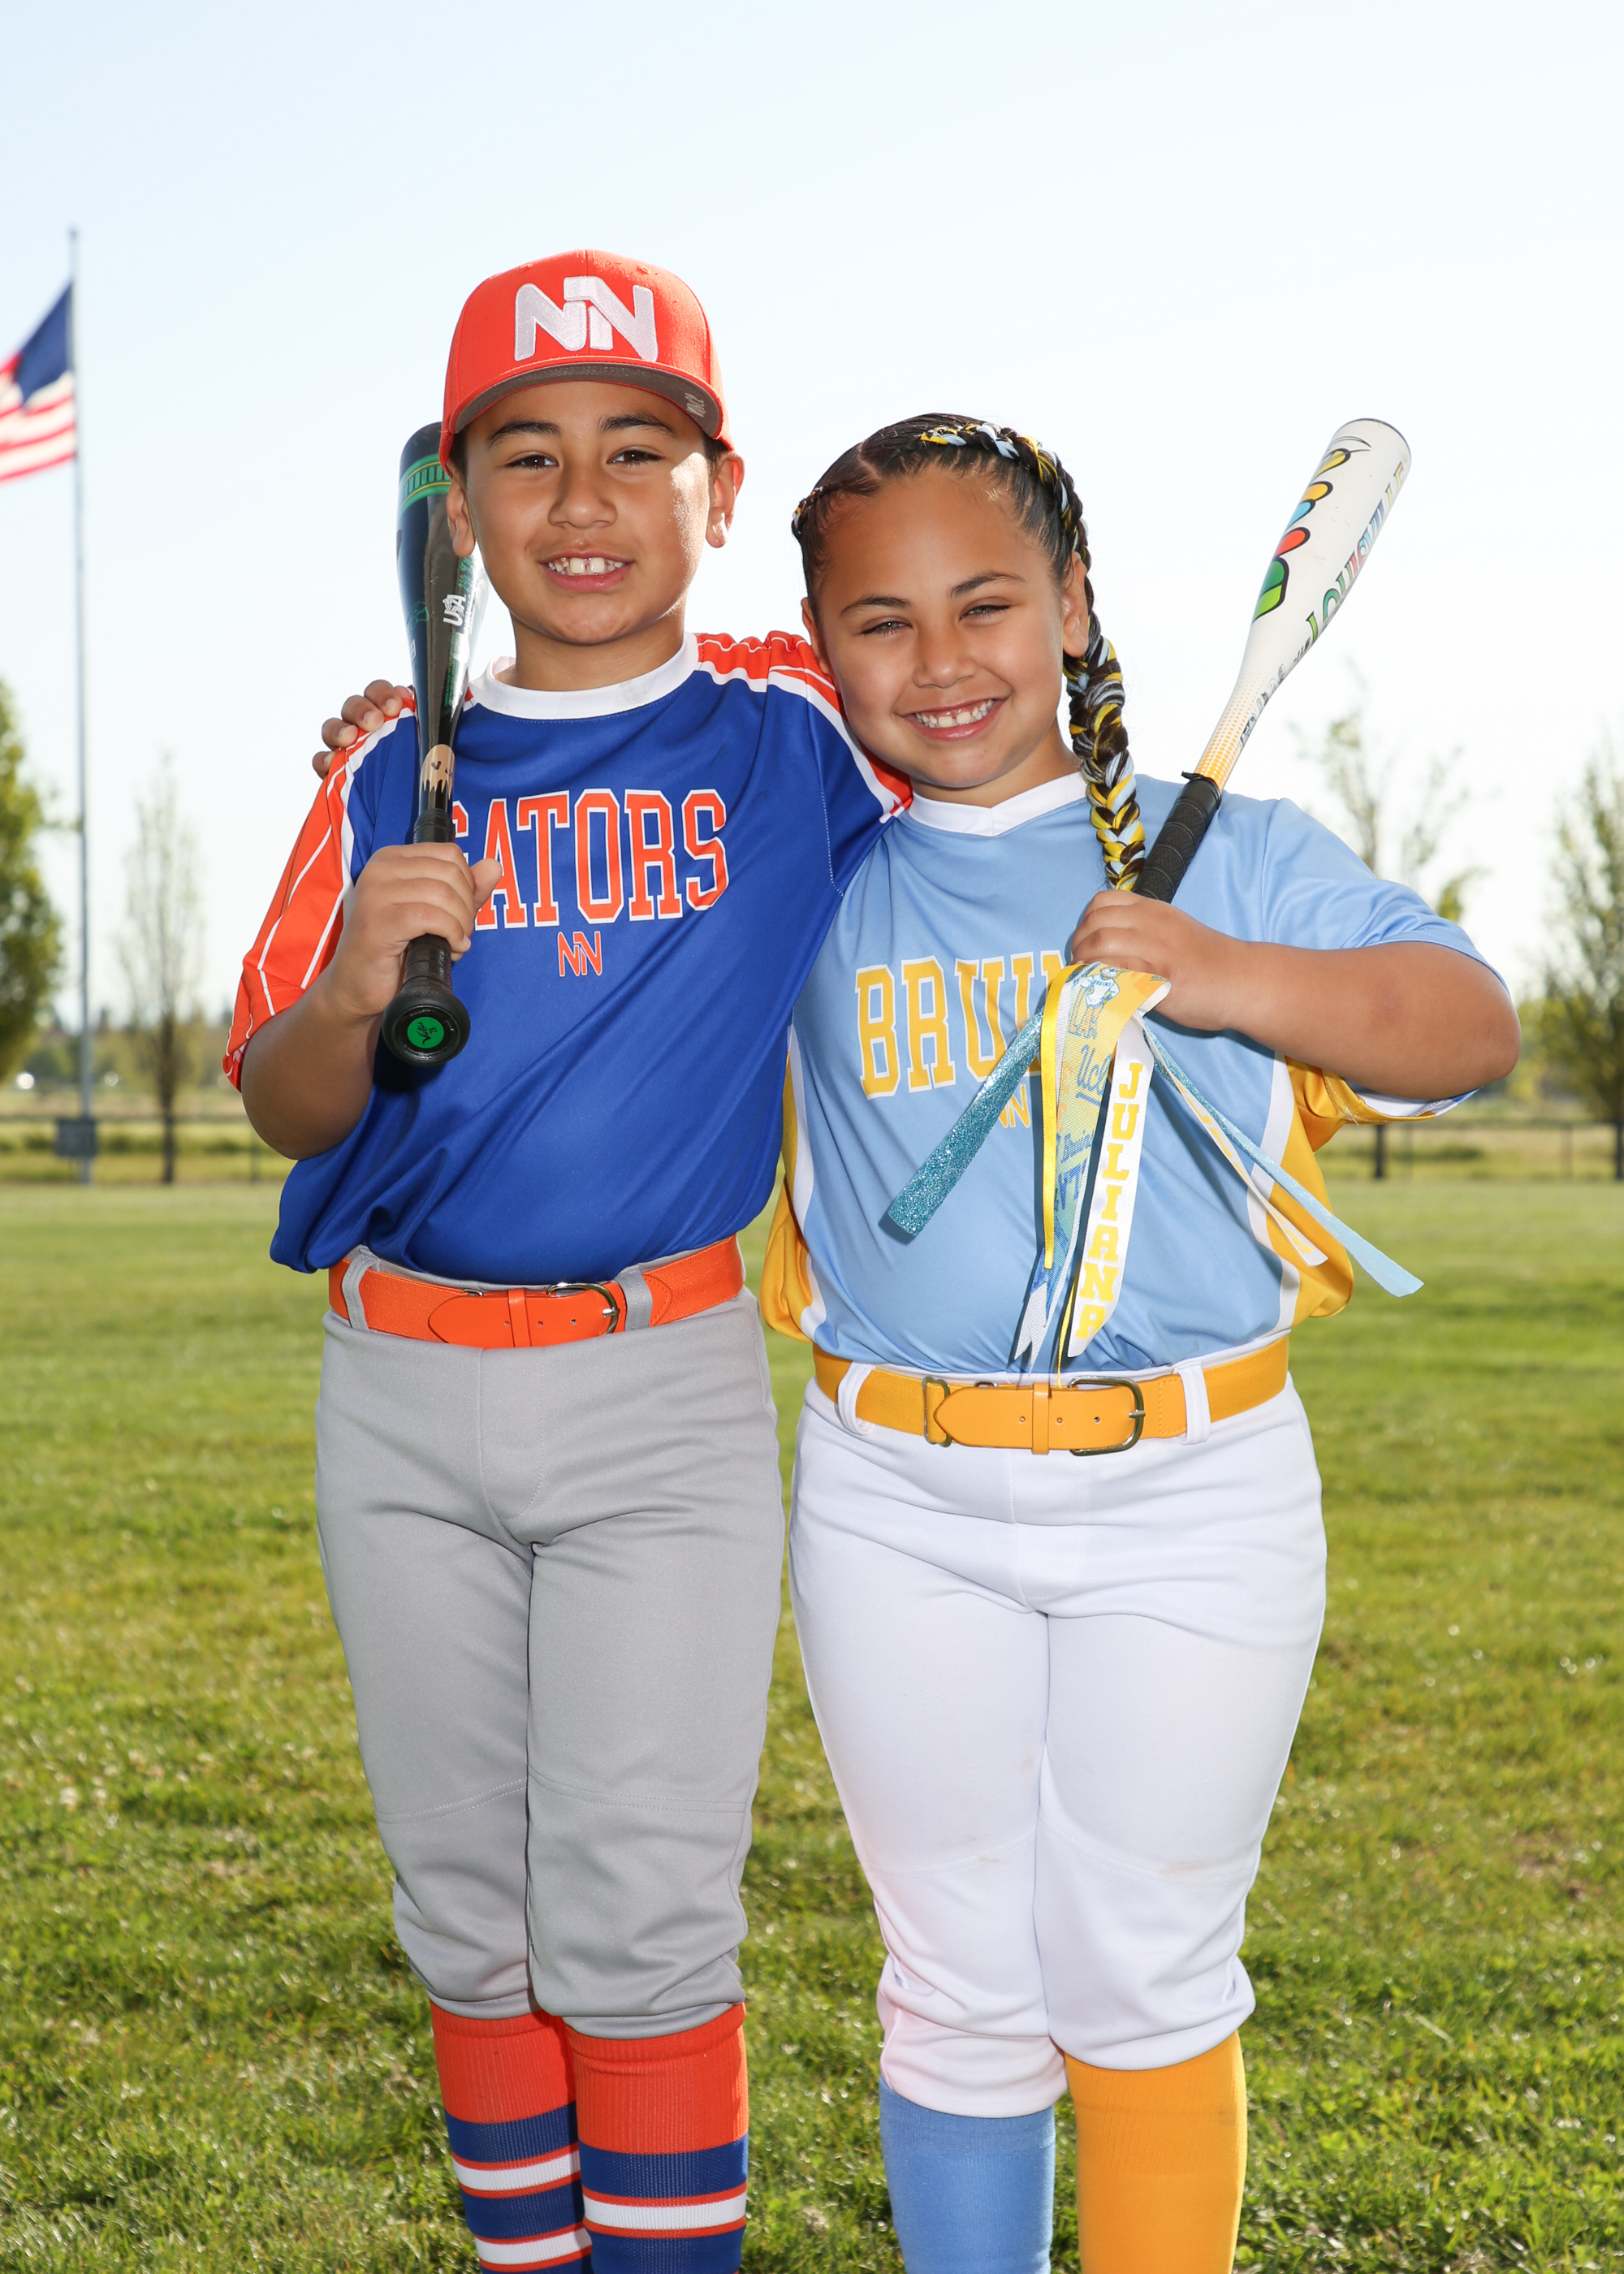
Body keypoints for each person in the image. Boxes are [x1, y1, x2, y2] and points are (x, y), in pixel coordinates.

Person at [754, 415, 1519, 2273]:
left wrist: (1227, 973)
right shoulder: (813, 872)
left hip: (1195, 1487)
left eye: (987, 603)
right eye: (879, 620)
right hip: (895, 1489)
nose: (940, 659)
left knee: (1145, 1962)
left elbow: (1465, 1023)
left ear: (1075, 606)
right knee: (955, 1979)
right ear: (821, 644)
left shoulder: (1228, 851)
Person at [227, 249, 909, 2274]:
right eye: (525, 456)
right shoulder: (384, 775)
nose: (585, 500)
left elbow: (954, 678)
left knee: (640, 1913)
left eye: (639, 449)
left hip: (657, 1391)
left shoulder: (794, 734)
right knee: (468, 1912)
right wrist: (355, 983)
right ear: (458, 510)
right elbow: (285, 1102)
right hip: (399, 1390)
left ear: (721, 489)